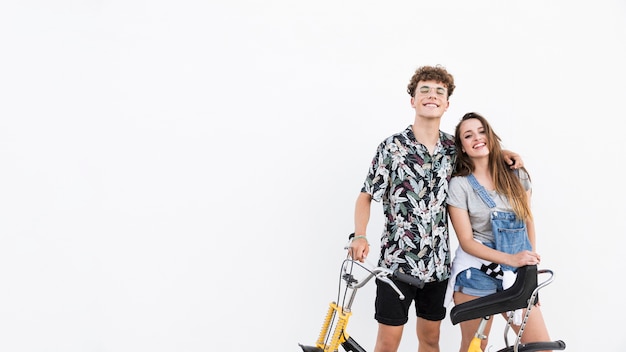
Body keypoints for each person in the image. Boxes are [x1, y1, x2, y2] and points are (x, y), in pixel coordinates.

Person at [348, 66, 523, 352]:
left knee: (430, 341)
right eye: (425, 90)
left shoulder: (453, 149)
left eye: (439, 91)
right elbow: (366, 195)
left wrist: (503, 153)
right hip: (396, 264)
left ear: (447, 104)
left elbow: (479, 154)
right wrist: (360, 234)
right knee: (387, 342)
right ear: (413, 101)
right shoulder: (392, 147)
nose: (432, 95)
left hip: (437, 268)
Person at [446, 112, 552, 352]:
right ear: (462, 147)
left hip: (515, 275)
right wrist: (510, 259)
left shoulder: (517, 174)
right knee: (474, 348)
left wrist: (528, 267)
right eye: (468, 135)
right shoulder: (460, 185)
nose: (477, 138)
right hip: (476, 274)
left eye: (482, 131)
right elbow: (466, 242)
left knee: (541, 347)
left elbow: (528, 220)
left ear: (491, 136)